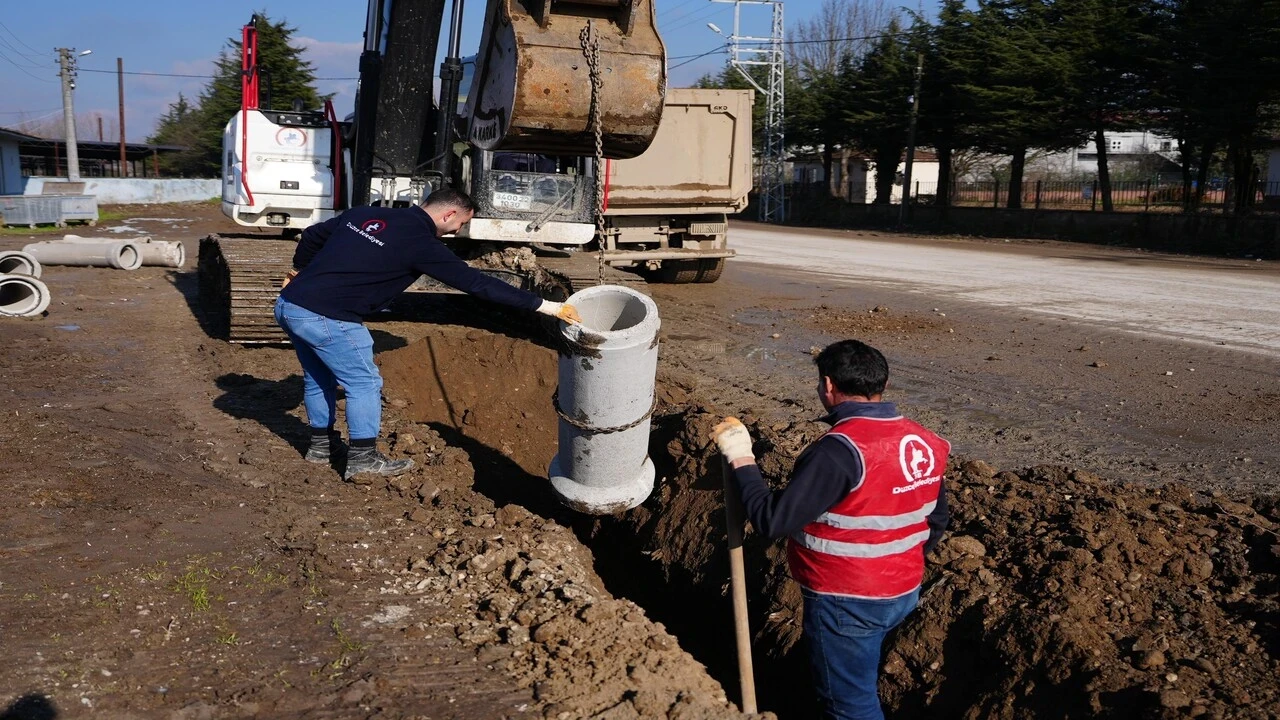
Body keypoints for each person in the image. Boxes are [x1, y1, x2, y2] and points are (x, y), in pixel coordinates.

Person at [710, 339, 950, 720]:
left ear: (827, 385)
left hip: (847, 600)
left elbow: (772, 521)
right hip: (904, 590)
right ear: (881, 385)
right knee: (856, 685)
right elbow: (936, 520)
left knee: (849, 707)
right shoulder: (925, 441)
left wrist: (742, 458)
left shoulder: (840, 450)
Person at [275, 187, 582, 480]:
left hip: (290, 305)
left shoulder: (365, 213)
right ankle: (363, 460)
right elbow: (477, 284)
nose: (456, 231)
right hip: (328, 318)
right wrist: (547, 307)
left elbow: (314, 235)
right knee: (364, 383)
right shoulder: (422, 244)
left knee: (319, 378)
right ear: (449, 214)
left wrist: (302, 271)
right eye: (461, 223)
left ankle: (321, 447)